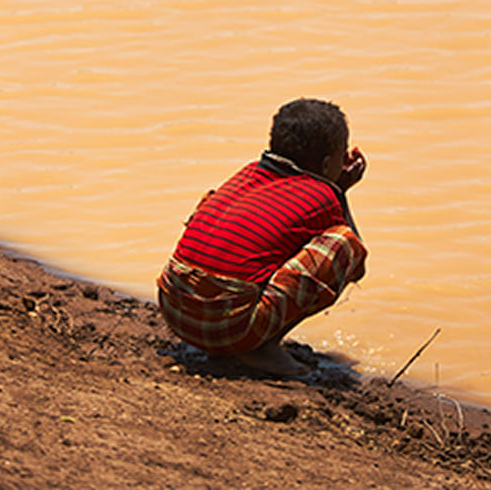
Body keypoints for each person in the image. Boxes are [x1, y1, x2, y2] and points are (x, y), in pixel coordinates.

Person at [156, 98, 367, 377]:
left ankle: (244, 334)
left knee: (221, 208)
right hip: (227, 327)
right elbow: (356, 264)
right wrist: (340, 192)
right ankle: (261, 349)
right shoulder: (322, 196)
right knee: (342, 243)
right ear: (328, 163)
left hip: (174, 308)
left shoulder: (248, 173)